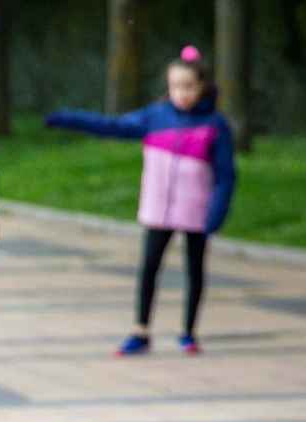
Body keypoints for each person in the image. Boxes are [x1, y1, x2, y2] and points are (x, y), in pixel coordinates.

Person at [47, 44, 236, 357]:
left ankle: (189, 333)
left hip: (196, 212)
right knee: (149, 268)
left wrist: (215, 215)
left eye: (189, 86)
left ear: (202, 86)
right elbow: (112, 125)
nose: (182, 93)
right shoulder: (155, 116)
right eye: (176, 86)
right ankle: (141, 331)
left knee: (195, 270)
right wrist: (69, 119)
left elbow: (226, 175)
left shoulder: (215, 125)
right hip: (159, 210)